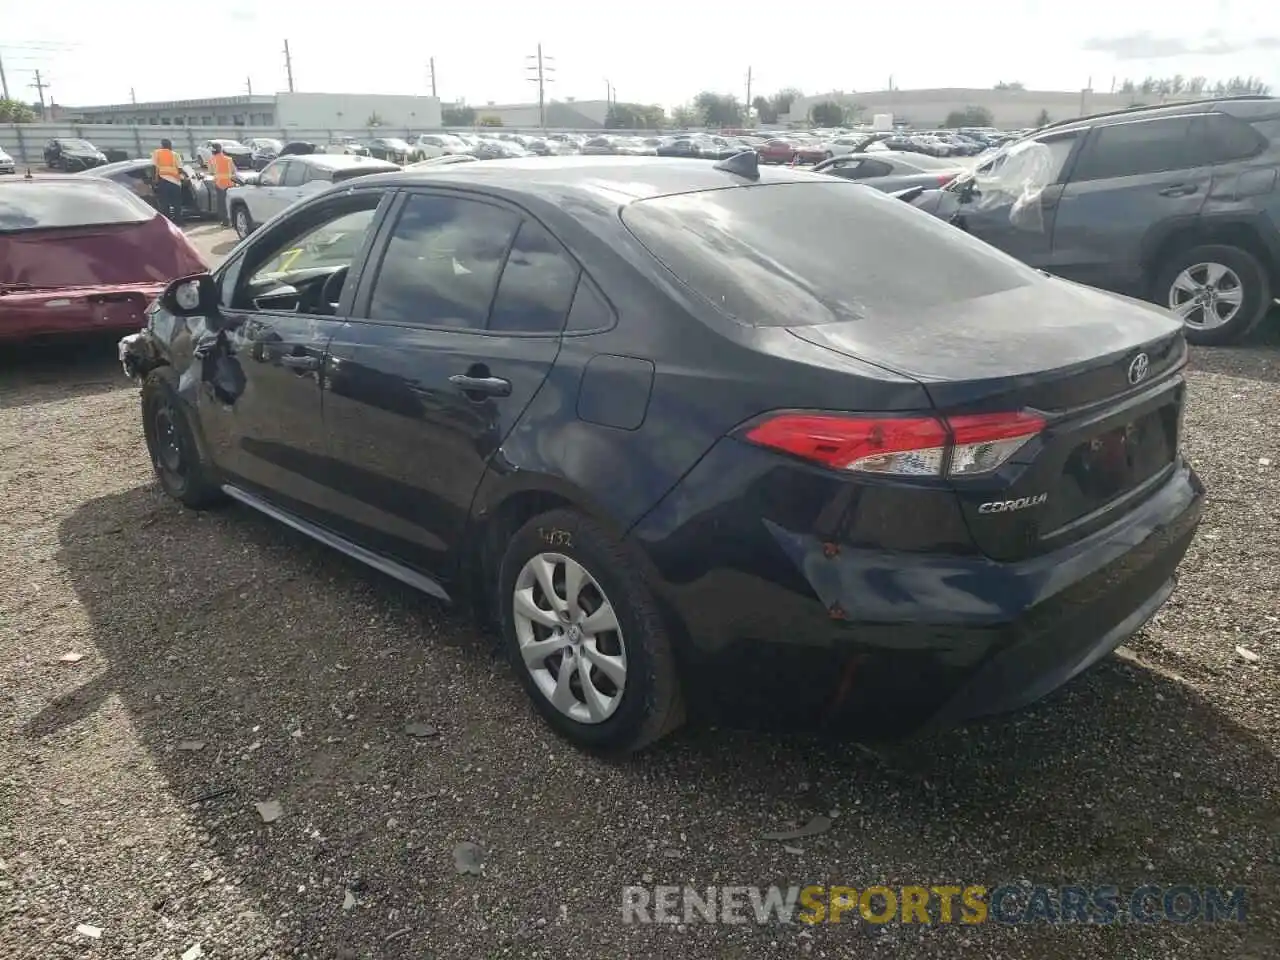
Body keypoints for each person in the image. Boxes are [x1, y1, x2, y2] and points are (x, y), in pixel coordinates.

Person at [151, 138, 184, 224]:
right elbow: (180, 169)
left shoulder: (157, 153)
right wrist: (182, 178)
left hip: (163, 181)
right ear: (170, 146)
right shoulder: (175, 154)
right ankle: (179, 222)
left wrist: (154, 180)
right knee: (177, 203)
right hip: (175, 182)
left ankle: (168, 222)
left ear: (162, 145)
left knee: (165, 203)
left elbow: (154, 167)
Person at [208, 143, 236, 226]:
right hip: (230, 183)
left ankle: (225, 221)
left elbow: (211, 172)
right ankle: (233, 221)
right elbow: (234, 171)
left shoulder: (211, 160)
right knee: (230, 202)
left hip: (219, 184)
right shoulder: (229, 159)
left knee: (222, 204)